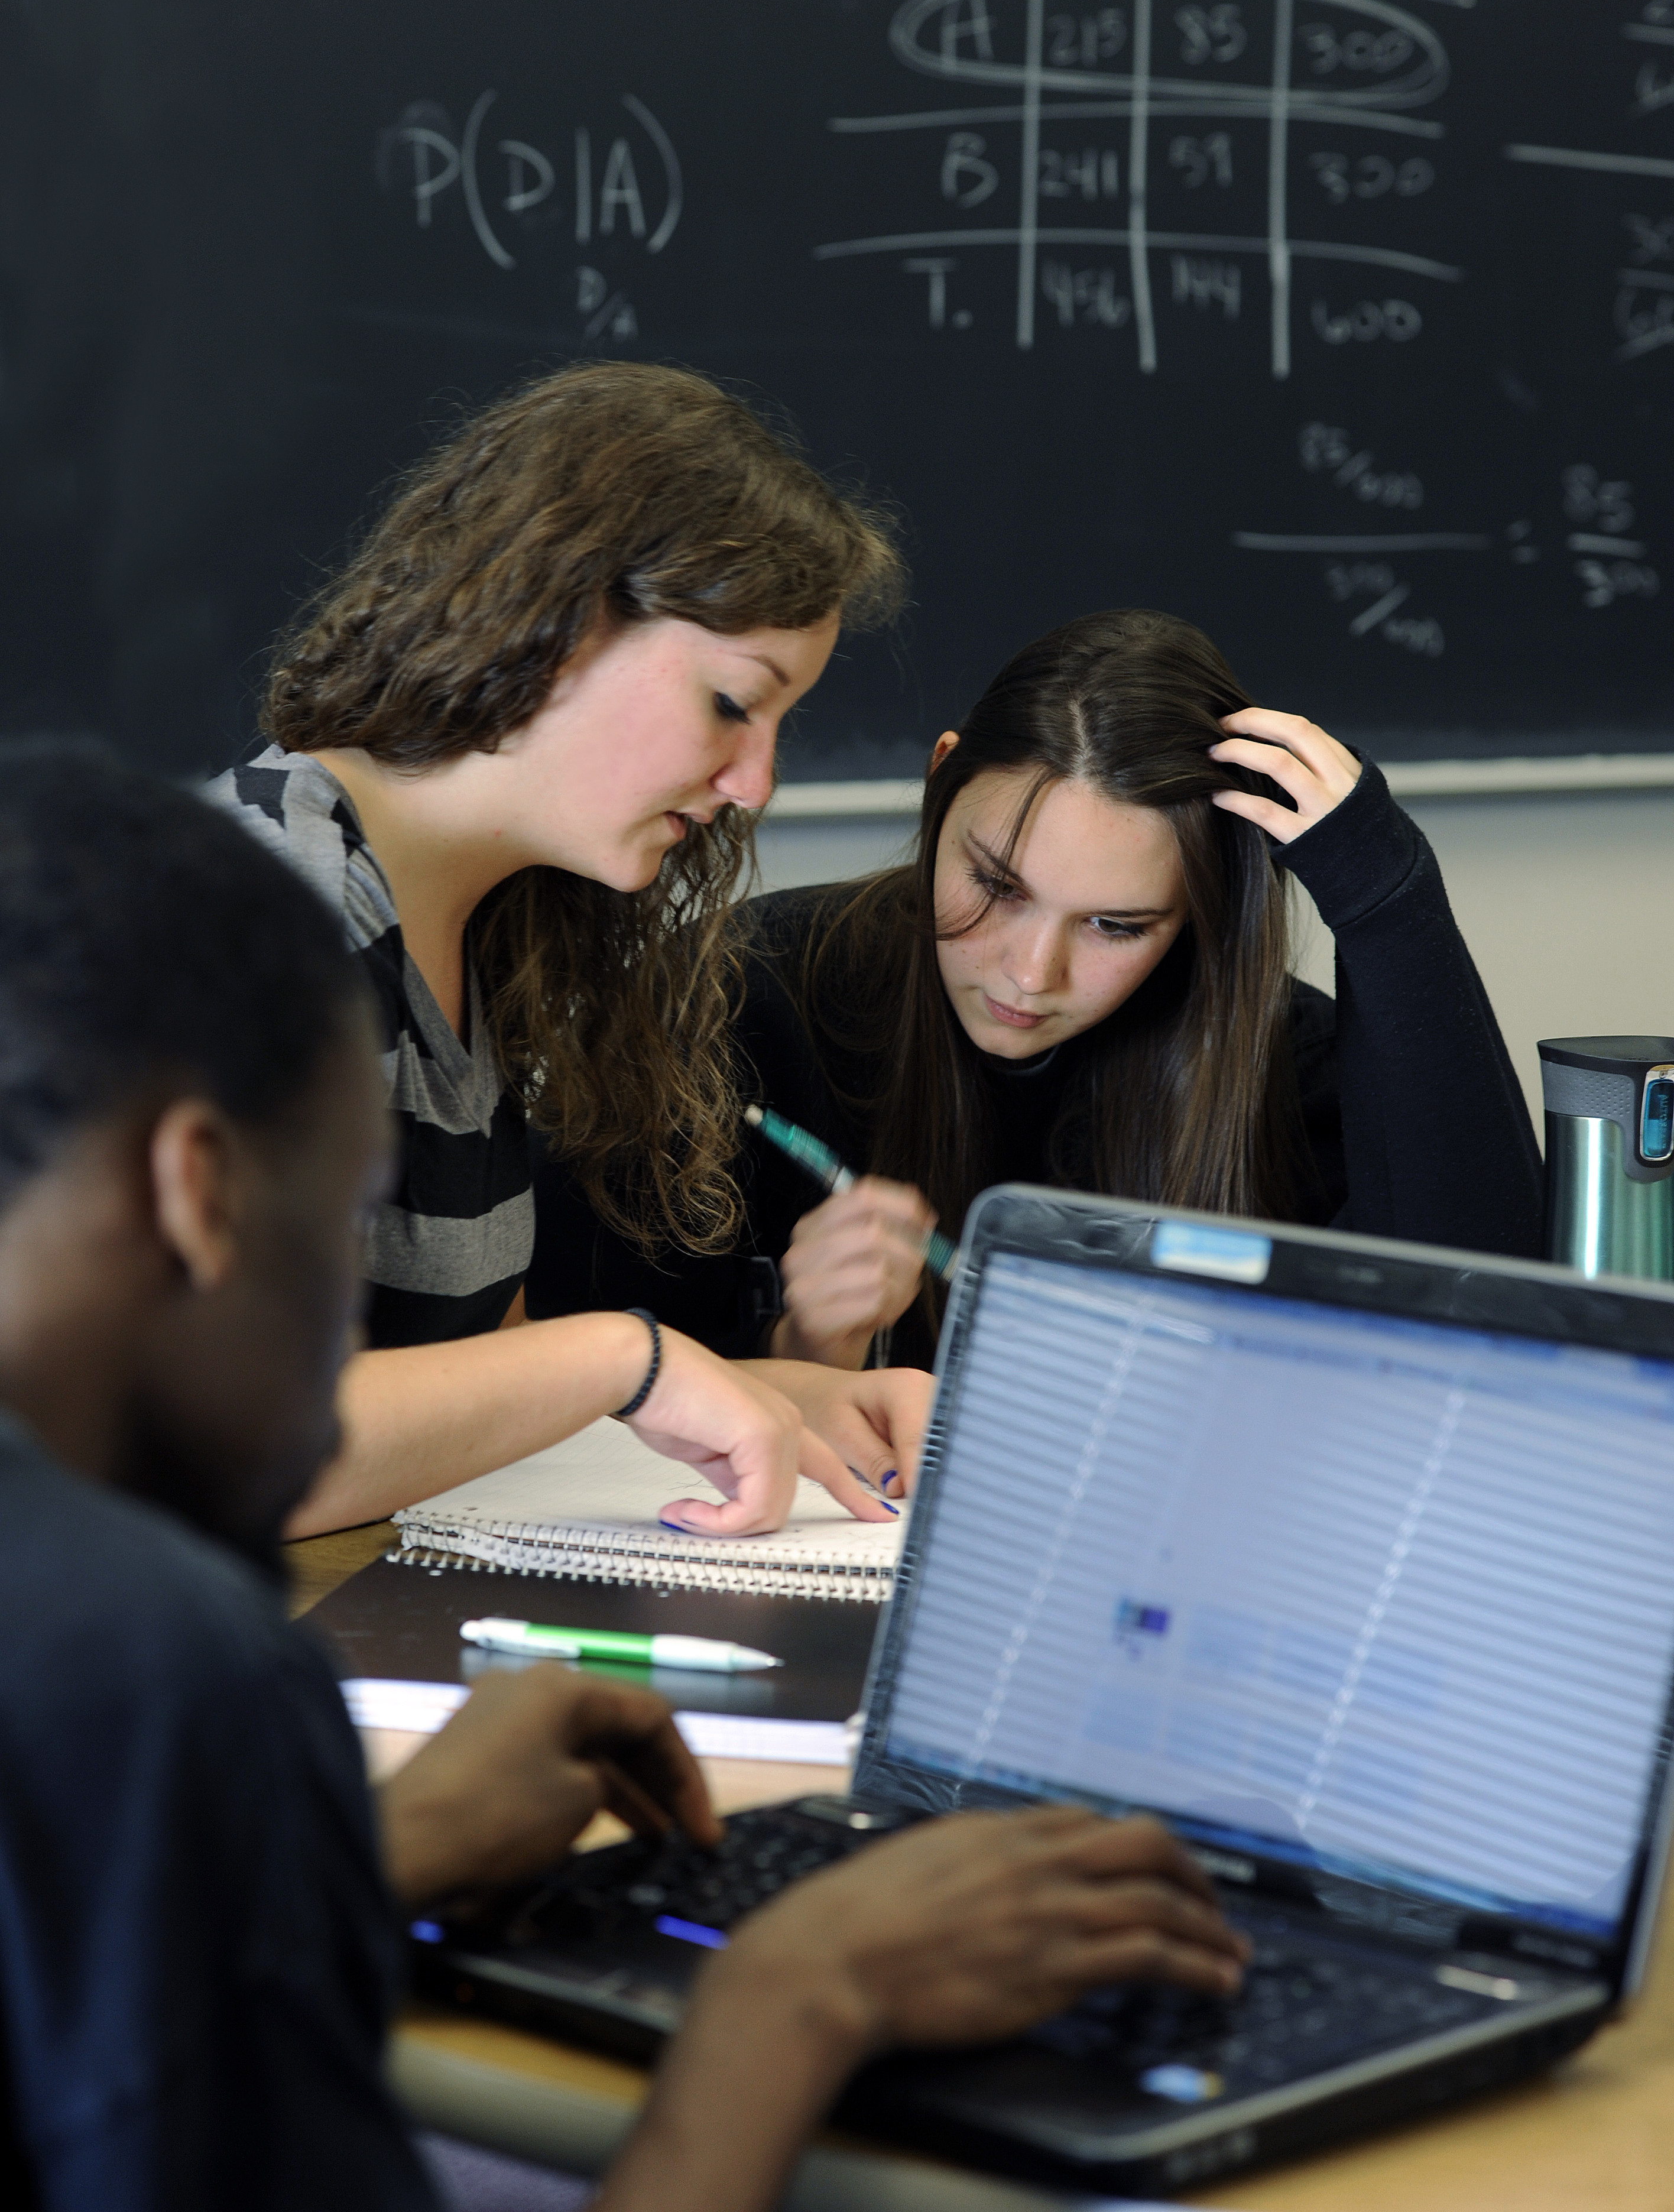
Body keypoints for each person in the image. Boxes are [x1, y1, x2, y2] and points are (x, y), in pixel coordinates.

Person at [0, 743, 1248, 2211]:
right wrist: (805, 1985)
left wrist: (373, 1850)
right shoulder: (147, 1667)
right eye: (346, 1222)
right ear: (197, 1190)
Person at [207, 359, 933, 1535]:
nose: (756, 785)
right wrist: (630, 1360)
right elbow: (248, 1446)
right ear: (559, 622)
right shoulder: (275, 911)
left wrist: (775, 1392)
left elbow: (460, 1373)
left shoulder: (483, 921)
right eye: (735, 705)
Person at [527, 607, 1543, 1373]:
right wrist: (802, 1346)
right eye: (996, 886)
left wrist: (1389, 899)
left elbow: (1485, 1321)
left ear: (1196, 914)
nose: (1028, 973)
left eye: (1117, 926)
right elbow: (572, 1386)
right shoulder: (733, 995)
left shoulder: (1274, 1056)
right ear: (941, 784)